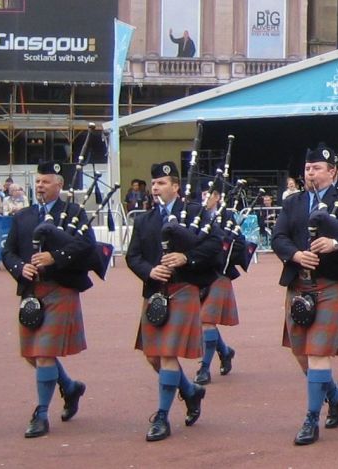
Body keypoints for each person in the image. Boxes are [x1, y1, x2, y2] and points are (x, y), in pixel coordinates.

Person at [272, 145, 338, 445]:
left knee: (317, 353)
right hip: (300, 283)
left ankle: (311, 418)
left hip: (331, 284)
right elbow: (278, 237)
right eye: (307, 168)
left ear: (333, 172)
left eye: (317, 168)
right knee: (301, 352)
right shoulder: (294, 203)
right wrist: (295, 255)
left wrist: (335, 243)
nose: (310, 173)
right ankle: (337, 396)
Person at [126, 161, 221, 442]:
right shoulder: (144, 220)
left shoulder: (195, 213)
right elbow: (133, 257)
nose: (156, 188)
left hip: (182, 288)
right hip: (155, 291)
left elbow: (215, 245)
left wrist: (186, 258)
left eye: (162, 183)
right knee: (153, 356)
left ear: (176, 187)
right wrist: (149, 270)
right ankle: (191, 392)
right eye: (154, 184)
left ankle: (162, 416)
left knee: (167, 354)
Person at [1, 162, 95, 438]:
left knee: (43, 354)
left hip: (61, 288)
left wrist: (55, 257)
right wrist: (20, 268)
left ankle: (41, 413)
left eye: (46, 181)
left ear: (60, 185)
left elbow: (86, 247)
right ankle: (70, 386)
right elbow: (7, 252)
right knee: (33, 354)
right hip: (32, 291)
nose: (40, 185)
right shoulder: (23, 217)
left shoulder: (73, 213)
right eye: (38, 181)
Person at [193, 182, 240, 385]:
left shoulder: (227, 218)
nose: (205, 198)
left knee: (207, 320)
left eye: (209, 194)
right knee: (204, 320)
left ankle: (204, 368)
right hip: (197, 272)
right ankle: (225, 351)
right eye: (203, 193)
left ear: (218, 197)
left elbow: (239, 244)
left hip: (219, 273)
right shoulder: (194, 215)